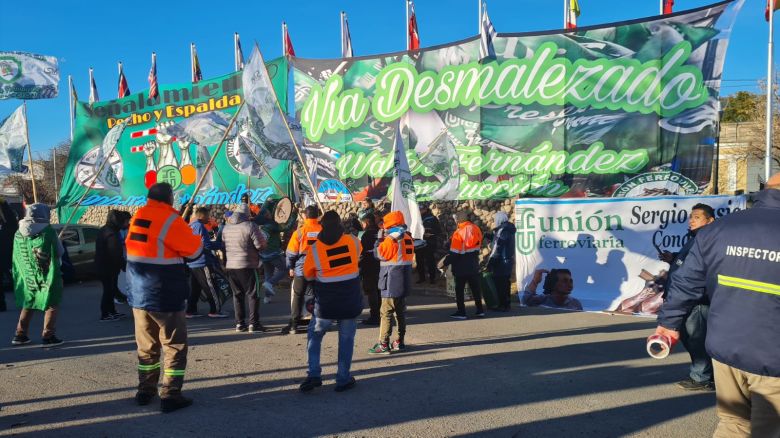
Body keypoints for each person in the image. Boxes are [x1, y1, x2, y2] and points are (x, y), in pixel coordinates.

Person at [655, 173, 780, 437]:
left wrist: (668, 325)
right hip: (773, 357)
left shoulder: (720, 229)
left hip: (726, 350)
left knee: (733, 424)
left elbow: (685, 282)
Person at [125, 183, 203, 413]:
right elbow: (195, 252)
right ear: (170, 198)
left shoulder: (139, 215)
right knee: (174, 345)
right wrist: (188, 232)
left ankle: (145, 390)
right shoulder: (171, 221)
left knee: (146, 346)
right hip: (165, 294)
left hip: (139, 294)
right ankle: (170, 394)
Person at [299, 211, 363, 393]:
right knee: (346, 340)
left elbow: (307, 274)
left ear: (322, 226)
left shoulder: (314, 249)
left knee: (315, 335)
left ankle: (313, 374)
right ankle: (343, 378)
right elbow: (358, 256)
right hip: (350, 301)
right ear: (340, 225)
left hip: (325, 304)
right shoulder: (353, 241)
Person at [658, 203, 715, 391]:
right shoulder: (695, 238)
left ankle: (702, 377)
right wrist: (673, 258)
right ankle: (704, 374)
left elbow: (697, 272)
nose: (691, 220)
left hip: (697, 301)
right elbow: (689, 264)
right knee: (691, 338)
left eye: (697, 217)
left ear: (710, 220)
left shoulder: (706, 240)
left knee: (697, 339)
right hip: (687, 299)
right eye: (691, 216)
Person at [10, 204, 64, 346]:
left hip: (27, 275)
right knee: (52, 303)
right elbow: (59, 252)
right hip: (47, 275)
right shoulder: (49, 232)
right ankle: (48, 336)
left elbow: (17, 255)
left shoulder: (18, 233)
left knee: (29, 303)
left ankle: (20, 334)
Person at [368, 211, 414, 354]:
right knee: (400, 312)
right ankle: (400, 341)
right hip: (404, 279)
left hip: (391, 280)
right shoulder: (407, 237)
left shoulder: (391, 239)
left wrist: (378, 242)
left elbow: (380, 254)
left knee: (386, 312)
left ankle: (383, 344)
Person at [222, 204, 267, 333]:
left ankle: (240, 324)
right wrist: (264, 242)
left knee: (237, 295)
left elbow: (223, 246)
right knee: (253, 294)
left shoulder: (226, 228)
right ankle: (254, 323)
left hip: (231, 265)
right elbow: (260, 245)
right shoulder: (250, 226)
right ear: (247, 215)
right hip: (248, 265)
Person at [283, 205, 322, 335]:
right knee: (319, 296)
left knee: (298, 296)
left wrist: (290, 267)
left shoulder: (299, 232)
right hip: (319, 269)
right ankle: (319, 322)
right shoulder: (323, 230)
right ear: (317, 216)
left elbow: (291, 253)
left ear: (305, 216)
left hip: (302, 269)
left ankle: (294, 324)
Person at [439, 210, 485, 319]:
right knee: (475, 288)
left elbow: (454, 253)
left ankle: (461, 312)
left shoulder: (459, 232)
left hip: (460, 266)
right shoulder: (476, 228)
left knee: (459, 290)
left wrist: (443, 263)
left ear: (458, 220)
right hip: (473, 263)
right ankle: (480, 310)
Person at [186, 207, 227, 319]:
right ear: (202, 215)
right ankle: (215, 310)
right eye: (208, 216)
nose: (209, 218)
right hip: (202, 262)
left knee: (195, 289)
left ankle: (190, 310)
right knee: (211, 287)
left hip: (192, 262)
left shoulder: (189, 226)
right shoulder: (200, 226)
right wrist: (220, 244)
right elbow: (206, 245)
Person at [256, 199, 297, 304]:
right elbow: (286, 227)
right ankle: (270, 283)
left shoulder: (259, 223)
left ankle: (267, 297)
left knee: (268, 274)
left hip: (263, 253)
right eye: (269, 212)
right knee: (285, 268)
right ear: (266, 215)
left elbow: (263, 209)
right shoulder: (271, 225)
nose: (271, 212)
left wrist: (268, 201)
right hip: (272, 252)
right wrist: (294, 214)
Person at [94, 210, 129, 321]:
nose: (126, 224)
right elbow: (115, 253)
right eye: (123, 221)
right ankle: (105, 314)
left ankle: (112, 311)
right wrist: (124, 266)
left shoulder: (106, 230)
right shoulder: (111, 233)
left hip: (106, 266)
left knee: (111, 289)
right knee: (108, 290)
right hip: (107, 267)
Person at [486, 211, 516, 312]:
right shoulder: (509, 229)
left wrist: (491, 262)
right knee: (506, 283)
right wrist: (491, 236)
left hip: (501, 261)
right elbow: (501, 242)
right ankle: (507, 304)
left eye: (495, 219)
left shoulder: (502, 230)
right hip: (508, 259)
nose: (494, 221)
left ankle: (502, 305)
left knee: (500, 283)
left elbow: (497, 247)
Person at [358, 210, 381, 325]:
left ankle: (374, 316)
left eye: (362, 223)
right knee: (379, 291)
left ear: (366, 223)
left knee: (371, 292)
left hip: (368, 266)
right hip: (380, 265)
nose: (362, 225)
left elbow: (361, 252)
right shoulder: (380, 232)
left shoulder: (366, 234)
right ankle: (382, 315)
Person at [0, 197, 19, 312]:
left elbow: (12, 226)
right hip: (8, 253)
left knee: (16, 278)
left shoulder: (7, 220)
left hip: (8, 254)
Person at [415, 204, 442, 284]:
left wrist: (431, 233)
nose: (419, 211)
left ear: (425, 209)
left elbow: (438, 230)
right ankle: (421, 278)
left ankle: (432, 278)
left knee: (430, 261)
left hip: (429, 243)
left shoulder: (432, 218)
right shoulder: (416, 218)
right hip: (419, 243)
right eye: (419, 209)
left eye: (421, 209)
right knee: (419, 261)